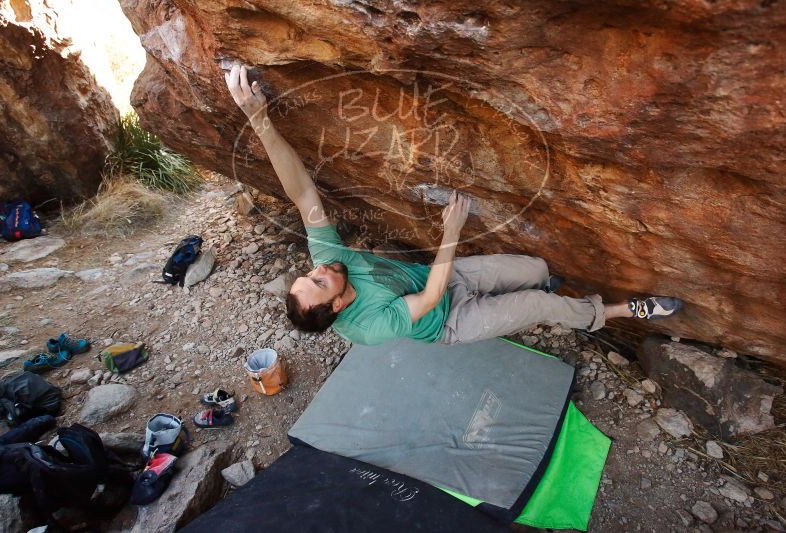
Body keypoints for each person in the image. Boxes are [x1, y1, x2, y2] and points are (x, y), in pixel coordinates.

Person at [225, 65, 683, 346]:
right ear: (339, 306)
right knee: (542, 308)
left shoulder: (329, 261)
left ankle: (545, 288)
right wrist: (451, 231)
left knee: (538, 269)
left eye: (310, 275)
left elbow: (303, 194)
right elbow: (429, 299)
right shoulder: (367, 327)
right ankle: (619, 312)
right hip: (452, 320)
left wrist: (259, 121)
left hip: (448, 277)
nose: (318, 270)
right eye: (319, 282)